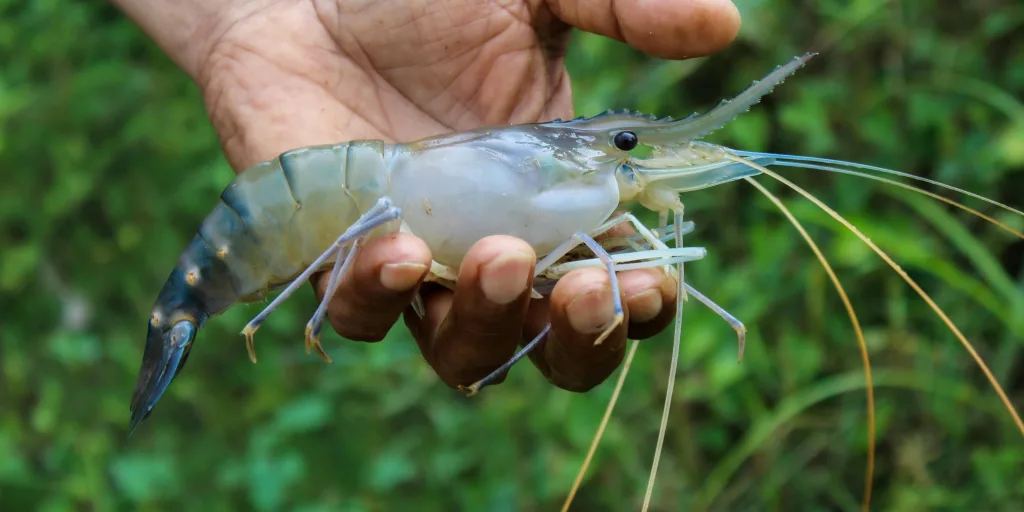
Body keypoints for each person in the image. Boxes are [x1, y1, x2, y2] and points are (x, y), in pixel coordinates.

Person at [111, 0, 741, 392]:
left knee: (598, 277)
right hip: (296, 201)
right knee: (593, 271)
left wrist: (243, 22)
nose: (625, 159)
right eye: (624, 144)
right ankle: (193, 307)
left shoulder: (589, 175)